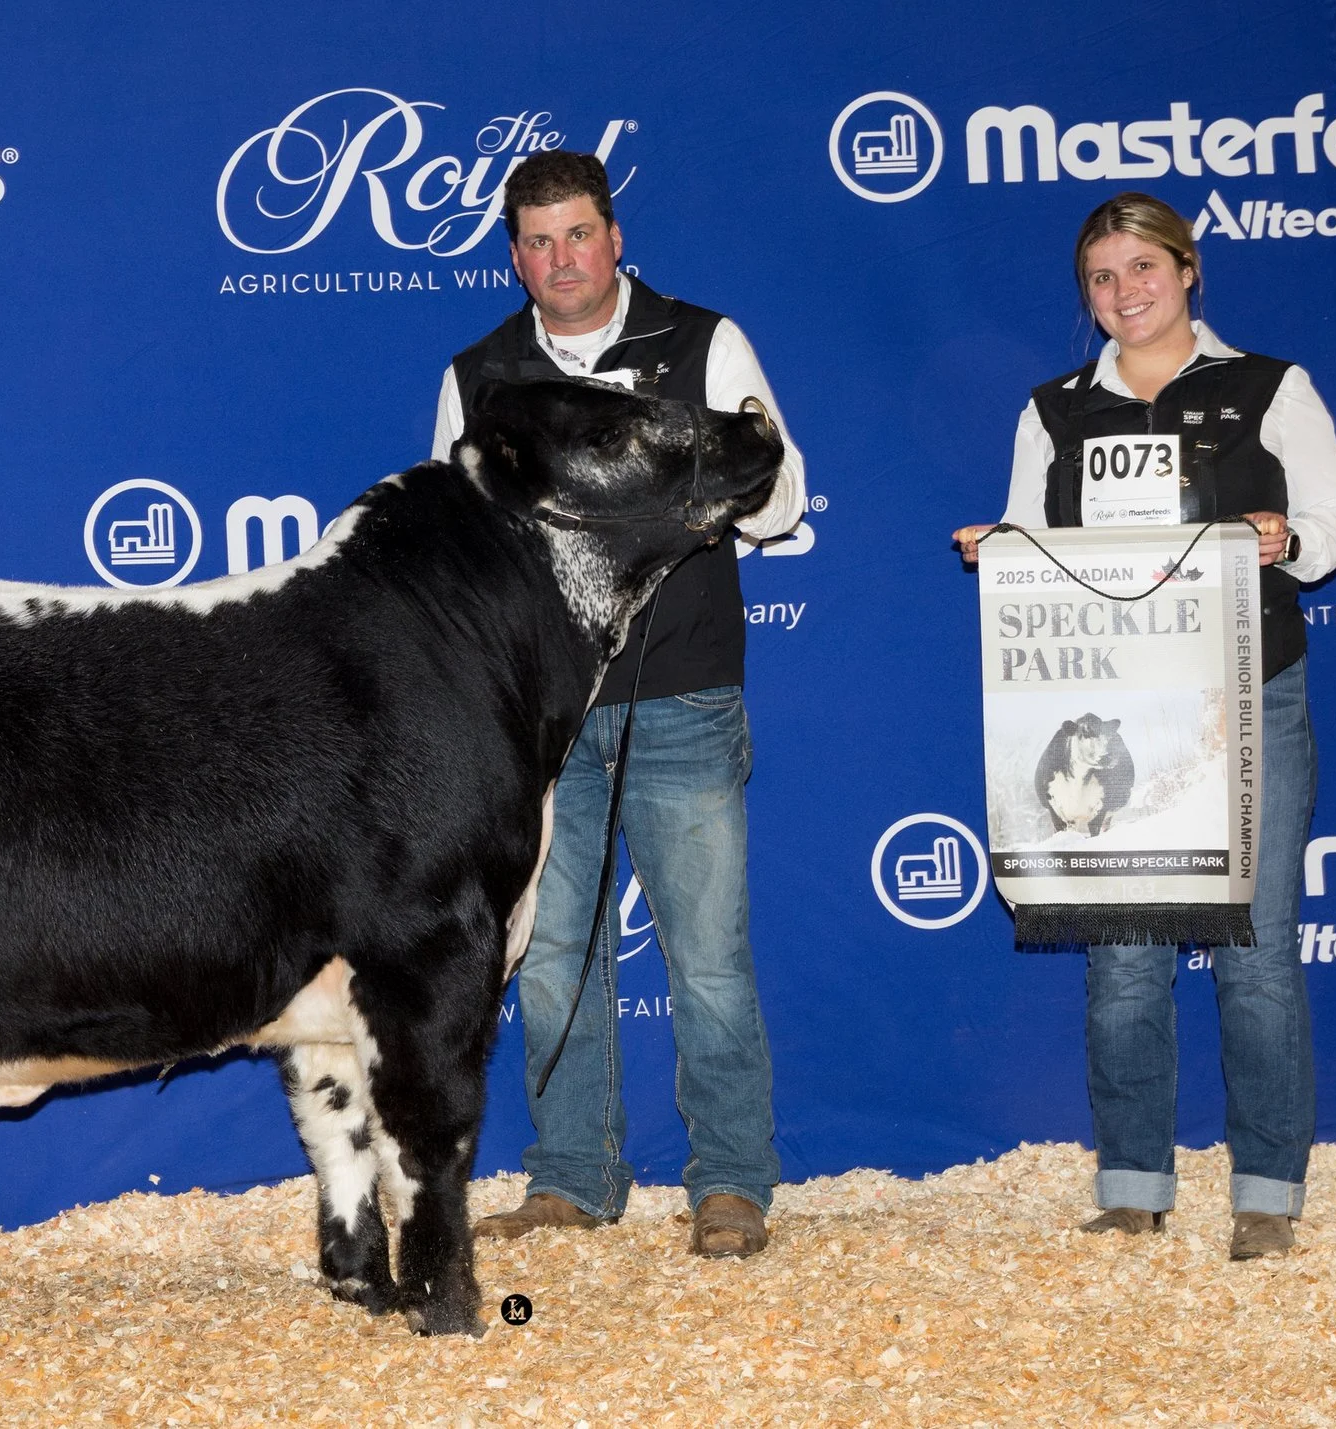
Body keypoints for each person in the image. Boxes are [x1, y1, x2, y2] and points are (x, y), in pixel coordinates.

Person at [952, 192, 1336, 1260]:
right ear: (1084, 296)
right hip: (1111, 714)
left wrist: (1286, 538)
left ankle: (1266, 1193)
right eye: (1100, 276)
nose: (1122, 293)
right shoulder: (1052, 410)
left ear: (1188, 272)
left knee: (1257, 953)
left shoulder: (1269, 389)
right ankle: (1133, 1182)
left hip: (1249, 697)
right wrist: (999, 547)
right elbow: (1033, 544)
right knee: (1125, 953)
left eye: (1141, 268)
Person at [432, 150, 806, 1258]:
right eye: (537, 243)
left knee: (707, 957)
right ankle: (572, 1177)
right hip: (541, 713)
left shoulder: (702, 344)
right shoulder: (481, 372)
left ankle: (731, 1182)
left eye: (578, 235)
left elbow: (780, 499)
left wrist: (686, 490)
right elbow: (457, 537)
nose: (560, 260)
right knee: (548, 956)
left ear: (614, 237)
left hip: (681, 691)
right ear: (514, 254)